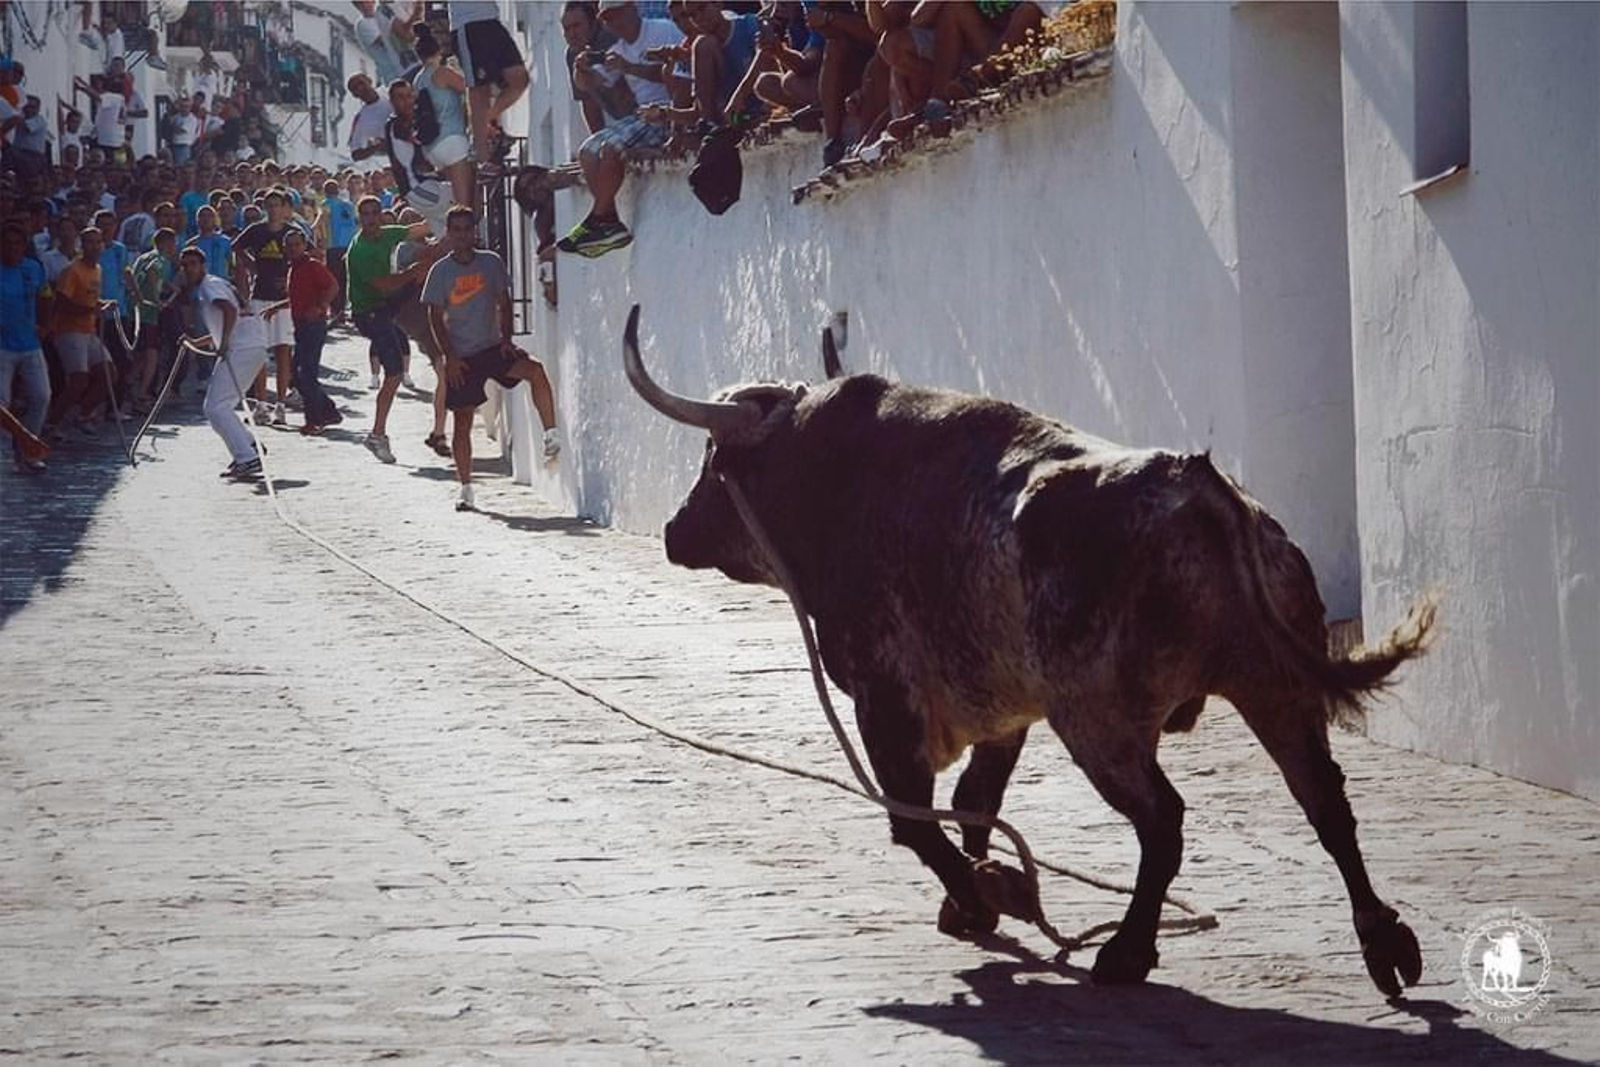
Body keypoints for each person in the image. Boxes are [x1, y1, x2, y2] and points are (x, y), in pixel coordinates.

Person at [423, 205, 560, 513]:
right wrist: (450, 357)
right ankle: (466, 488)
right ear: (448, 233)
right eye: (455, 229)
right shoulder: (441, 272)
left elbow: (503, 300)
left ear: (474, 232)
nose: (461, 235)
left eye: (466, 229)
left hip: (492, 347)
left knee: (535, 371)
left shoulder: (491, 263)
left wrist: (507, 339)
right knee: (462, 421)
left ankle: (551, 435)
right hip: (462, 356)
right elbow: (434, 316)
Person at [557, 1, 681, 257]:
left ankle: (596, 217)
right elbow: (594, 87)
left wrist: (629, 68)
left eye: (617, 15)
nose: (614, 23)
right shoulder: (618, 48)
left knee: (612, 148)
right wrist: (583, 71)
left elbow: (677, 75)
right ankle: (609, 221)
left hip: (668, 112)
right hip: (641, 117)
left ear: (632, 10)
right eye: (609, 18)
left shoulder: (661, 31)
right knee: (588, 150)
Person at [345, 195, 430, 463]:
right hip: (369, 312)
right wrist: (417, 270)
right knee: (393, 374)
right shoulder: (359, 250)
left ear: (381, 215)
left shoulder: (388, 233)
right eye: (366, 215)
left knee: (430, 258)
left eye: (374, 213)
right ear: (360, 218)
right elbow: (384, 284)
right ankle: (377, 434)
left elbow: (421, 229)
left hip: (385, 305)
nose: (371, 219)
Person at [178, 247, 270, 478]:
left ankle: (247, 457)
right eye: (185, 265)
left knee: (215, 407)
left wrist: (225, 342)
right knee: (221, 405)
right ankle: (249, 445)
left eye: (193, 264)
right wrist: (198, 342)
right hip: (251, 345)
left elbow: (229, 311)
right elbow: (228, 318)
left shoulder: (209, 287)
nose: (188, 269)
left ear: (203, 265)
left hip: (242, 348)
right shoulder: (217, 283)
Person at [262, 229, 341, 434]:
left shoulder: (312, 266)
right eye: (289, 245)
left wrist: (320, 306)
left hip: (314, 325)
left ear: (304, 246)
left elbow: (333, 286)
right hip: (301, 326)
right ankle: (329, 411)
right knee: (296, 376)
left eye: (297, 244)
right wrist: (277, 307)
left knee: (306, 374)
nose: (293, 248)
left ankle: (315, 420)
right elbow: (298, 296)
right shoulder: (294, 268)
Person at [232, 189, 298, 425]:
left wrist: (292, 277)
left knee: (283, 352)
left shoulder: (293, 232)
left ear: (284, 207)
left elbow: (309, 255)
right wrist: (252, 266)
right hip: (259, 295)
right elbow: (236, 248)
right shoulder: (256, 230)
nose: (273, 209)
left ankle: (280, 405)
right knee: (259, 352)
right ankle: (260, 404)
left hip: (284, 299)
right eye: (268, 205)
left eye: (277, 204)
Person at [46, 225, 113, 437]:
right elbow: (62, 302)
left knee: (109, 374)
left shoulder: (98, 269)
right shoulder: (72, 270)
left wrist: (103, 304)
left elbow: (89, 298)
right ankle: (51, 423)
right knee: (78, 381)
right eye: (89, 242)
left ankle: (84, 414)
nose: (94, 246)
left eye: (97, 242)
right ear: (82, 245)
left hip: (88, 330)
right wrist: (91, 309)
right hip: (69, 331)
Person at [448, 0, 531, 169]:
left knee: (519, 78)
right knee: (479, 89)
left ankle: (486, 120)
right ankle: (483, 156)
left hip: (491, 19)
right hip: (468, 22)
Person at [0, 221, 53, 473]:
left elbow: (45, 296)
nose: (12, 248)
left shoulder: (33, 268)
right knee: (3, 402)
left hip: (30, 342)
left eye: (17, 243)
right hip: (2, 346)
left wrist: (44, 325)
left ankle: (28, 449)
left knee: (42, 396)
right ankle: (13, 447)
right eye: (7, 243)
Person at [409, 24, 474, 211]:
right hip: (453, 140)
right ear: (438, 50)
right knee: (464, 205)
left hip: (432, 147)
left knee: (457, 199)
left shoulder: (418, 80)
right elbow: (469, 88)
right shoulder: (442, 72)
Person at [129, 227, 178, 408]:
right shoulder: (160, 259)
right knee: (152, 355)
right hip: (148, 313)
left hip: (134, 311)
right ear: (167, 243)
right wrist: (157, 300)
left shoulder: (143, 257)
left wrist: (171, 287)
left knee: (140, 355)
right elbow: (152, 273)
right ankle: (141, 394)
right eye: (173, 243)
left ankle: (129, 384)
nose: (175, 247)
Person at [316, 179, 358, 324]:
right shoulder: (349, 205)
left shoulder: (325, 204)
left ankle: (337, 311)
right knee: (346, 279)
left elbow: (322, 219)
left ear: (325, 191)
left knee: (334, 279)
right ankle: (345, 310)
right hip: (349, 245)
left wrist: (315, 234)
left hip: (333, 246)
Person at [352, 1, 420, 87]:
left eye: (367, 1)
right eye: (360, 4)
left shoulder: (386, 12)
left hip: (412, 65)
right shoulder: (363, 24)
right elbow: (389, 40)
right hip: (395, 74)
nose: (365, 6)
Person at [346, 72, 395, 166]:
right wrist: (376, 148)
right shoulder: (361, 119)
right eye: (355, 88)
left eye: (361, 83)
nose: (360, 88)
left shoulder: (390, 90)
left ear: (369, 80)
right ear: (354, 95)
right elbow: (355, 154)